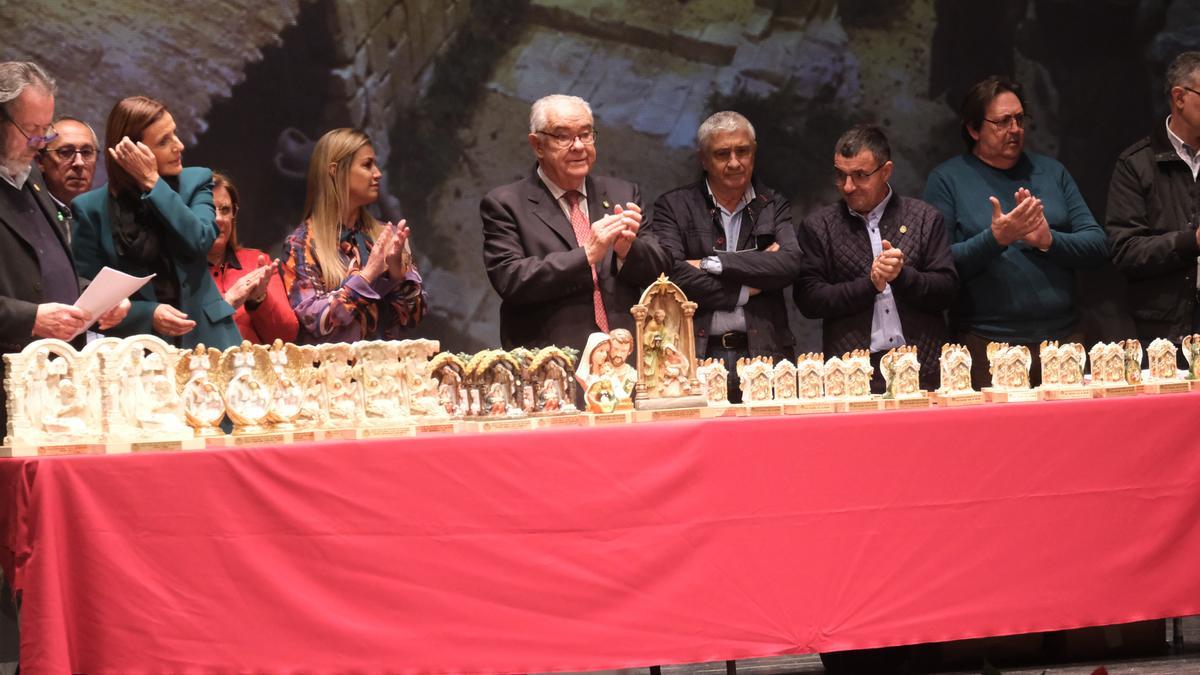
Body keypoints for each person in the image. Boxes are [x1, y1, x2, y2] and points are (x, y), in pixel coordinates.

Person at [924, 75, 1108, 388]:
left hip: (1064, 341)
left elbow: (1098, 245)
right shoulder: (947, 180)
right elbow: (938, 265)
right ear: (973, 128)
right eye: (1003, 121)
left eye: (1020, 119)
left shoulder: (1052, 172)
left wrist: (1049, 241)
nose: (1015, 129)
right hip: (985, 345)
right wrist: (994, 240)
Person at [481, 94, 669, 352]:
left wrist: (628, 251)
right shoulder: (506, 204)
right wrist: (587, 255)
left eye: (585, 134)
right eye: (563, 137)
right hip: (553, 363)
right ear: (537, 145)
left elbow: (660, 271)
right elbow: (511, 279)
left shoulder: (623, 194)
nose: (579, 146)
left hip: (626, 357)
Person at [0, 61, 127, 436]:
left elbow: (45, 269)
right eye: (31, 131)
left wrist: (96, 297)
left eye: (45, 132)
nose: (39, 144)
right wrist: (30, 318)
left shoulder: (31, 180)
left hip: (49, 387)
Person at [644, 111, 801, 401]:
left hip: (765, 354)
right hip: (695, 357)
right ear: (703, 159)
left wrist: (713, 264)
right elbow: (673, 277)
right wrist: (750, 285)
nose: (734, 162)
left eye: (742, 151)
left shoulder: (772, 203)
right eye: (722, 154)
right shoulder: (673, 206)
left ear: (754, 152)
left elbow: (790, 264)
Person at [794, 124, 957, 392]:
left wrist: (902, 276)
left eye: (860, 175)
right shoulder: (818, 227)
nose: (848, 186)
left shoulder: (925, 219)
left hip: (922, 369)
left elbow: (948, 291)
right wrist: (870, 284)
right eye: (841, 175)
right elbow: (809, 300)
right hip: (852, 375)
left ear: (886, 171)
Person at [72, 95, 241, 349]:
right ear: (132, 151)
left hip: (209, 341)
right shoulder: (90, 209)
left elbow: (201, 240)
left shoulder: (197, 181)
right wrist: (147, 314)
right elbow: (88, 299)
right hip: (140, 352)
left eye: (175, 133)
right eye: (164, 141)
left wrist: (152, 182)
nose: (179, 145)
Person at [281, 128, 427, 344]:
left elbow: (414, 318)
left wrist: (397, 274)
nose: (377, 173)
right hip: (334, 374)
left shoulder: (386, 236)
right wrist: (367, 276)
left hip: (389, 371)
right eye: (367, 165)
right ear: (335, 171)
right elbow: (312, 320)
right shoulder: (302, 242)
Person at [1106, 51, 1200, 347]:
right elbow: (1125, 249)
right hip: (1165, 326)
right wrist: (1192, 241)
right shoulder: (1136, 163)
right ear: (1179, 97)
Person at [206, 171, 298, 344]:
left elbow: (287, 336)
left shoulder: (257, 262)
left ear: (234, 214)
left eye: (225, 210)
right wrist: (227, 303)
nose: (218, 218)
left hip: (255, 369)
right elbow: (181, 338)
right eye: (210, 210)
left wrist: (259, 301)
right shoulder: (180, 269)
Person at [36, 116, 98, 233]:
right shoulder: (29, 214)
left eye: (86, 152)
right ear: (40, 161)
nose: (79, 162)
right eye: (66, 152)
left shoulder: (106, 219)